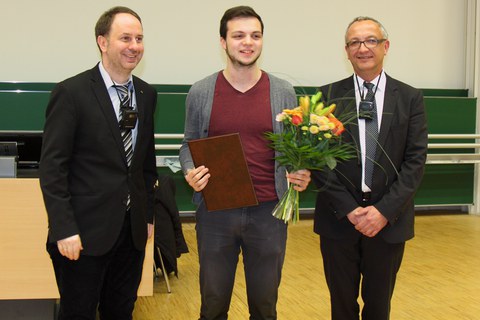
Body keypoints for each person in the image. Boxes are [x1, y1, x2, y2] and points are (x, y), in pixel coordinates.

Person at [179, 6, 311, 320]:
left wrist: (302, 170)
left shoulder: (282, 91)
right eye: (238, 35)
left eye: (255, 35)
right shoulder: (201, 92)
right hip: (216, 212)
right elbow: (188, 145)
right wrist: (189, 171)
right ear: (223, 42)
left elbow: (295, 149)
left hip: (268, 212)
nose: (247, 42)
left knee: (265, 307)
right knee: (213, 305)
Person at [39, 6, 157, 320]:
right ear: (102, 42)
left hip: (131, 234)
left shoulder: (146, 94)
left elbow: (145, 163)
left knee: (121, 311)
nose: (135, 46)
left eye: (139, 38)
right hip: (82, 233)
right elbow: (53, 168)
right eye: (126, 38)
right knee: (78, 313)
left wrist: (146, 217)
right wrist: (63, 228)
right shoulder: (71, 92)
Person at [312, 16, 428, 320]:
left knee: (379, 307)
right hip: (339, 220)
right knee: (341, 306)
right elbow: (319, 163)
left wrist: (383, 212)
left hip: (389, 222)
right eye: (355, 42)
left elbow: (415, 162)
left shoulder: (410, 98)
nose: (363, 48)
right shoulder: (326, 97)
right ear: (346, 50)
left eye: (371, 40)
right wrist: (350, 209)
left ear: (385, 46)